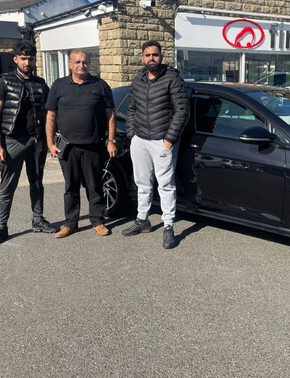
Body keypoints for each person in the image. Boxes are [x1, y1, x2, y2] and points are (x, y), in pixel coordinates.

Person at [0, 40, 58, 246]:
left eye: (31, 59)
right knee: (7, 186)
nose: (27, 62)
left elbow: (49, 113)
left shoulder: (40, 83)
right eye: (24, 58)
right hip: (12, 142)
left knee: (37, 183)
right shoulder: (4, 82)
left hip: (37, 141)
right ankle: (1, 226)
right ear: (16, 59)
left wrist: (51, 139)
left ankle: (38, 220)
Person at [121, 40, 189, 249]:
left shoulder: (172, 78)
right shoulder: (139, 78)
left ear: (161, 57)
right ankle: (143, 219)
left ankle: (168, 225)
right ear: (142, 58)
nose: (152, 58)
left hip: (162, 140)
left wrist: (169, 140)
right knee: (142, 183)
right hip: (140, 139)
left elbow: (181, 111)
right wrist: (133, 135)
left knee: (166, 185)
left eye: (155, 54)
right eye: (148, 55)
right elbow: (131, 107)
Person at [45, 49, 116, 238]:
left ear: (89, 64)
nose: (81, 65)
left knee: (95, 185)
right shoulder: (59, 86)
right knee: (71, 187)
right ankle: (70, 223)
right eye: (77, 62)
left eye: (84, 62)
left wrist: (111, 140)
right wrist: (50, 142)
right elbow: (51, 116)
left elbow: (110, 115)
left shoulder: (100, 85)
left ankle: (97, 221)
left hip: (93, 145)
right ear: (70, 64)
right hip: (67, 147)